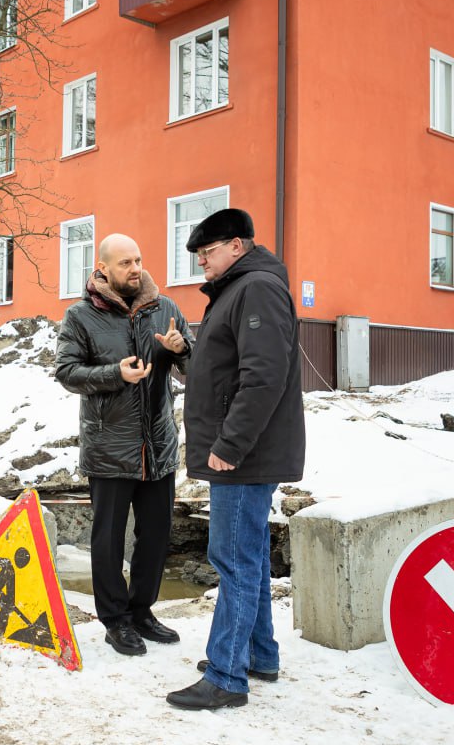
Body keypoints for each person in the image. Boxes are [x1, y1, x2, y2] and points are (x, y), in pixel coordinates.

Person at [165, 208, 305, 710]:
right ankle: (258, 653)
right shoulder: (239, 291)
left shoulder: (256, 289)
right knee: (249, 555)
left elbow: (264, 376)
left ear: (237, 247)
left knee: (234, 560)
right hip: (244, 454)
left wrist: (229, 445)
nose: (201, 261)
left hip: (243, 457)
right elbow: (224, 370)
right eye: (199, 253)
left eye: (208, 251)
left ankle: (226, 675)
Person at [55, 233, 196, 656]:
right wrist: (115, 374)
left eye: (138, 260)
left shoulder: (165, 309)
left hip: (158, 448)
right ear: (103, 270)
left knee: (155, 537)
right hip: (109, 450)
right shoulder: (80, 316)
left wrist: (181, 349)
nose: (135, 269)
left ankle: (142, 612)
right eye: (124, 264)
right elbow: (66, 373)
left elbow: (195, 368)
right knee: (109, 541)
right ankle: (115, 620)